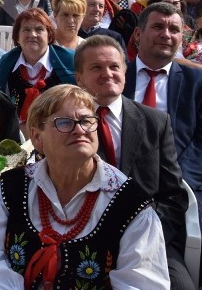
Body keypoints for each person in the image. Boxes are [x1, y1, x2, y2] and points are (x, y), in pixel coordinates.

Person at [0, 84, 169, 289]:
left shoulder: (131, 206)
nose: (79, 130)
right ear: (37, 137)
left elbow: (141, 283)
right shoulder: (7, 192)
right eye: (64, 122)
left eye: (86, 121)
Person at [74, 35, 193, 289]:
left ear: (125, 73)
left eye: (114, 66)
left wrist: (141, 236)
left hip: (149, 241)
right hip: (81, 240)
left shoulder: (155, 122)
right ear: (79, 77)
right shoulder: (64, 125)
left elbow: (173, 196)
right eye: (96, 67)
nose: (107, 73)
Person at [125, 2, 202, 285]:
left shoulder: (201, 82)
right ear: (138, 34)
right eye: (157, 27)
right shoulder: (115, 76)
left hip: (182, 186)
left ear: (182, 38)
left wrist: (174, 183)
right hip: (120, 183)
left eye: (174, 29)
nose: (166, 34)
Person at [0, 8, 76, 134]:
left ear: (49, 35)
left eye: (39, 29)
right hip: (18, 135)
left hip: (62, 132)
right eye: (26, 30)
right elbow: (2, 105)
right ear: (17, 36)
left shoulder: (69, 60)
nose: (32, 34)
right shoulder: (7, 62)